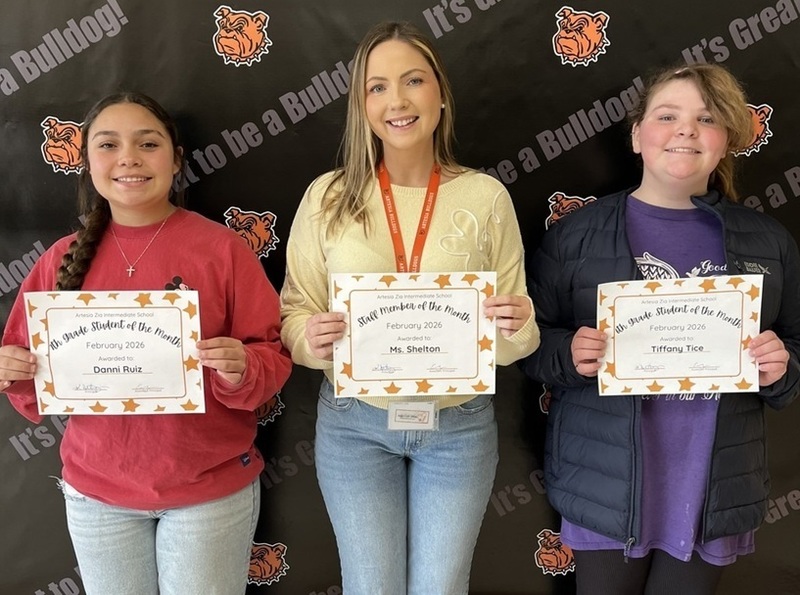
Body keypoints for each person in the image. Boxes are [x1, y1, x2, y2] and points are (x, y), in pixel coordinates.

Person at [279, 21, 540, 595]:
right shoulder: (328, 196)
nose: (396, 100)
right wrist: (308, 338)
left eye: (413, 81)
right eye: (377, 87)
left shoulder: (485, 196)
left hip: (459, 426)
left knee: (440, 588)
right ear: (361, 105)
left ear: (440, 95)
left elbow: (520, 331)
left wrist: (517, 327)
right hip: (355, 426)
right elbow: (295, 308)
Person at [521, 63, 800, 595]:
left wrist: (780, 366)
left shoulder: (769, 242)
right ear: (636, 134)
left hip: (712, 489)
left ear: (727, 140)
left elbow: (796, 346)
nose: (686, 130)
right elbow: (530, 343)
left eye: (707, 118)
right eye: (667, 115)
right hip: (608, 483)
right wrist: (567, 355)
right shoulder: (575, 237)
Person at [0, 92, 292, 595]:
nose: (128, 158)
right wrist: (13, 370)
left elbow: (272, 357)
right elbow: (24, 373)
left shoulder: (222, 250)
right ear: (87, 161)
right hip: (98, 497)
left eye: (148, 143)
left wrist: (241, 366)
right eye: (108, 144)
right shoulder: (59, 259)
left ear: (176, 159)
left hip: (208, 492)